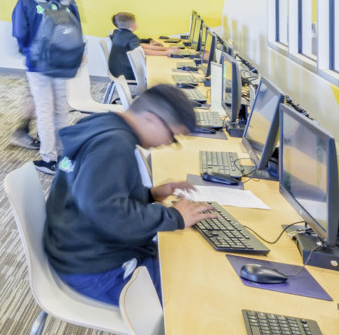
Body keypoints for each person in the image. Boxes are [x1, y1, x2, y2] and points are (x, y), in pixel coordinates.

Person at [44, 84, 215, 304]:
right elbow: (106, 212)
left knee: (183, 260)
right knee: (189, 297)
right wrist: (175, 217)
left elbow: (96, 192)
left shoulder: (103, 125)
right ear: (151, 119)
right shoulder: (114, 145)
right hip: (94, 268)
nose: (168, 144)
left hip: (75, 247)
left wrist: (151, 194)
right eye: (173, 137)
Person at [11, 0, 81, 174]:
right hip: (64, 62)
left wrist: (28, 51)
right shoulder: (69, 0)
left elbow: (20, 33)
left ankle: (48, 159)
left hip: (38, 64)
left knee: (44, 110)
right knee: (60, 108)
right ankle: (62, 157)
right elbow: (77, 29)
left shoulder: (26, 0)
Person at [108, 11, 171, 87]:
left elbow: (140, 45)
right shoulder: (131, 37)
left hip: (116, 71)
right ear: (133, 25)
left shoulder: (117, 33)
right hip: (127, 73)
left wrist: (165, 48)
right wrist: (165, 53)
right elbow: (141, 50)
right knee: (156, 71)